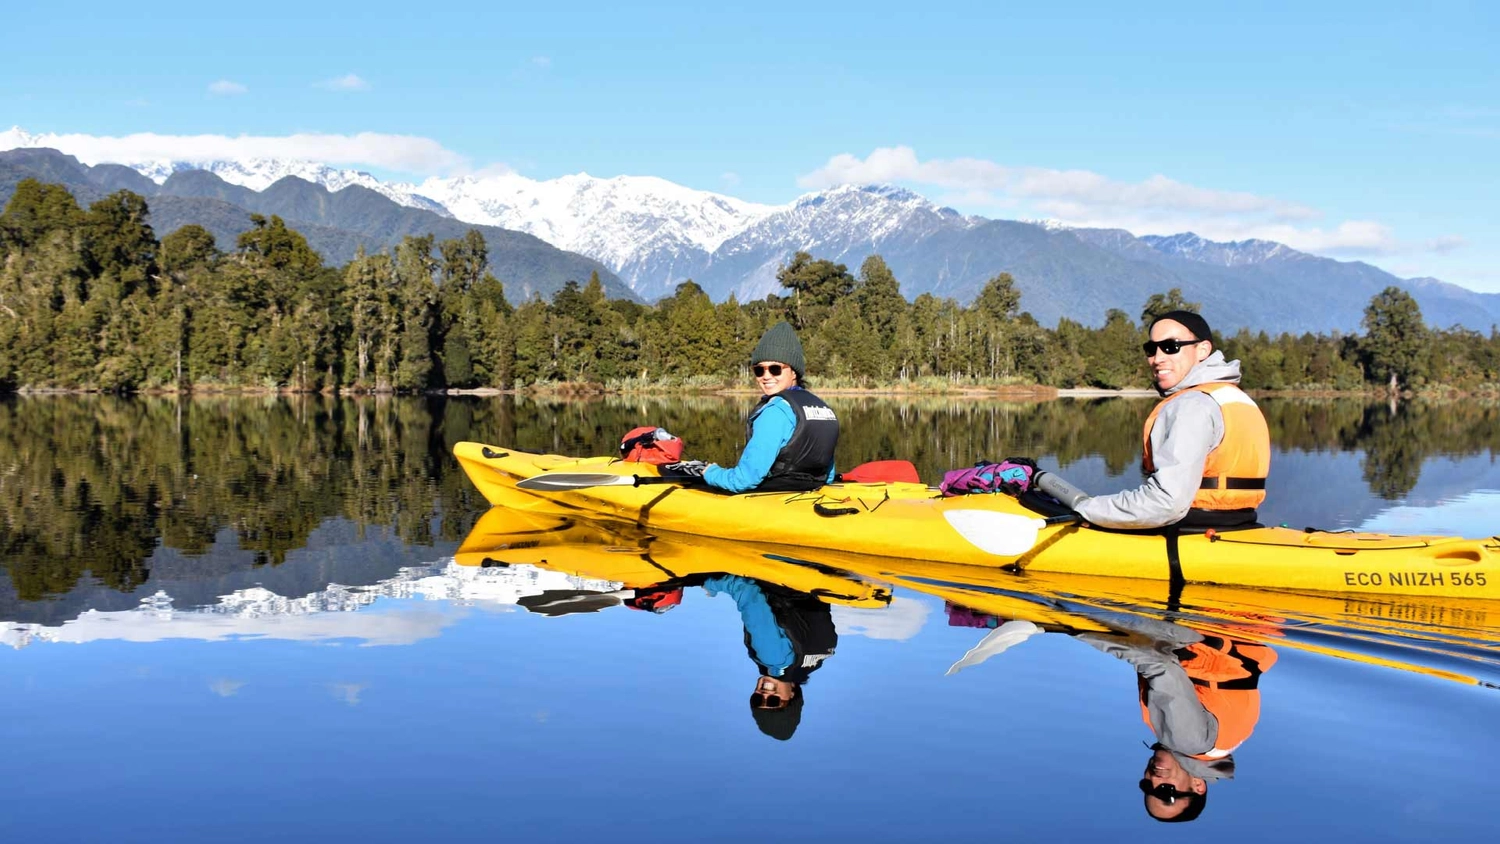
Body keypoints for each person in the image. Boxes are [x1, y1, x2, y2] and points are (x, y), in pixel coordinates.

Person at [1073, 310, 1270, 530]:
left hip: (1189, 529)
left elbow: (1166, 503)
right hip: (1239, 523)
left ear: (1203, 349)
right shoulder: (1236, 398)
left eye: (1171, 347)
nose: (1157, 358)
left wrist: (1088, 509)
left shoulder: (1193, 404)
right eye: (1151, 349)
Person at [670, 322, 839, 493]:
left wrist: (710, 472)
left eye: (775, 369)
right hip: (811, 491)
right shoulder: (824, 409)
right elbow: (829, 474)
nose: (766, 377)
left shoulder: (775, 412)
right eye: (759, 370)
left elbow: (744, 480)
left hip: (774, 496)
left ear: (794, 372)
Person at [702, 574, 838, 741]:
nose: (765, 694)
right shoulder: (772, 659)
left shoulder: (817, 660)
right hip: (782, 573)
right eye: (774, 701)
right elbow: (747, 591)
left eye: (757, 699)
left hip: (815, 578)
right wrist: (709, 584)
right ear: (793, 695)